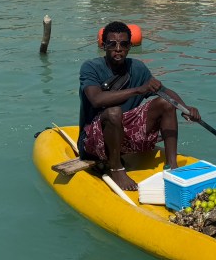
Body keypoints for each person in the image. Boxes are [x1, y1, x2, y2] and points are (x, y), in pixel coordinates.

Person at [79, 21, 202, 191]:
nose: (118, 49)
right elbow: (96, 99)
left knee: (166, 103)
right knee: (114, 112)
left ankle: (172, 167)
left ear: (130, 47)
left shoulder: (138, 68)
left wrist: (186, 109)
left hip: (124, 134)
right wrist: (138, 90)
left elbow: (164, 91)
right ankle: (116, 169)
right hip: (93, 141)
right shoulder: (90, 67)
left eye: (123, 44)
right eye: (112, 44)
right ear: (104, 46)